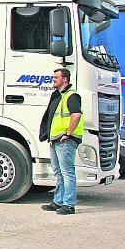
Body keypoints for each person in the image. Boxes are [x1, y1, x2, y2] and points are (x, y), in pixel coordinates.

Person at [40, 68, 84, 215]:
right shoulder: (59, 95)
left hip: (65, 140)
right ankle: (58, 202)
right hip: (56, 139)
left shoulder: (71, 96)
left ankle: (69, 205)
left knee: (67, 173)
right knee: (59, 173)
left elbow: (76, 115)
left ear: (64, 79)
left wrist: (68, 134)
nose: (53, 80)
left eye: (56, 77)